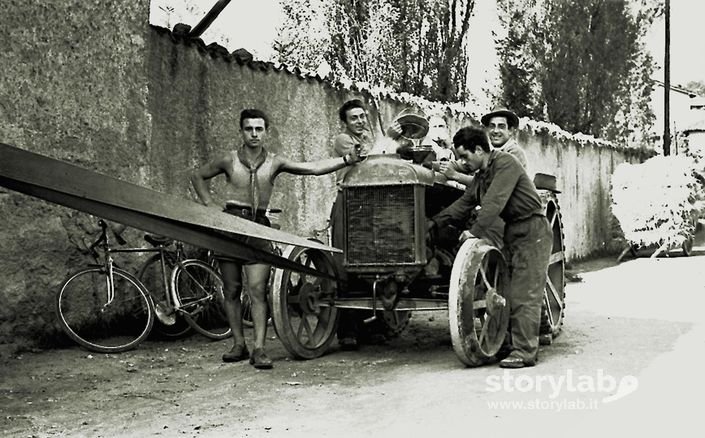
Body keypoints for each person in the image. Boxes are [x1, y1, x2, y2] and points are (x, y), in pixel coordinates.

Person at [191, 108, 364, 369]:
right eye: (249, 128)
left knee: (258, 291)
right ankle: (238, 344)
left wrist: (347, 159)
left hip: (259, 229)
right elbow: (198, 175)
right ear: (241, 131)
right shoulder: (228, 160)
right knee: (231, 289)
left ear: (266, 132)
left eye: (259, 129)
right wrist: (208, 204)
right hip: (229, 226)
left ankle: (259, 349)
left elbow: (313, 169)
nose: (254, 134)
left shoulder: (274, 162)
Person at [429, 126, 552, 368]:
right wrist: (433, 224)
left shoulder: (505, 163)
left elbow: (494, 203)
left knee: (523, 293)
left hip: (532, 230)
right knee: (506, 290)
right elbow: (463, 205)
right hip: (513, 230)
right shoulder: (482, 175)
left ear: (478, 150)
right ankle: (508, 343)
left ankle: (524, 352)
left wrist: (473, 233)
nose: (461, 163)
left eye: (464, 156)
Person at [331, 99, 403, 350]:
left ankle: (372, 326)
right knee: (347, 264)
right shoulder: (344, 141)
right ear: (345, 122)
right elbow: (368, 164)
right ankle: (347, 330)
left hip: (371, 205)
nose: (360, 121)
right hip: (350, 203)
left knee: (373, 263)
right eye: (354, 118)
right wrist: (388, 139)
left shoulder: (370, 139)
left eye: (362, 116)